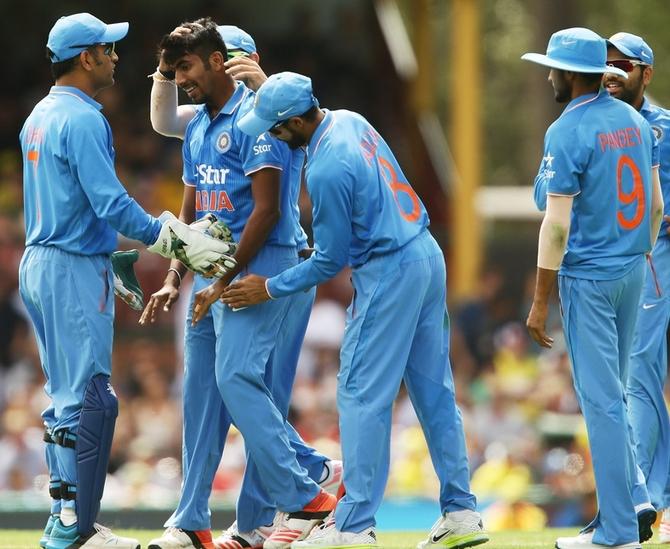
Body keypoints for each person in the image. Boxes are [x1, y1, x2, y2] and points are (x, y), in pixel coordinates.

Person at [196, 71, 489, 549]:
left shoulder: (326, 167)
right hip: (425, 254)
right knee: (434, 392)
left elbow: (330, 260)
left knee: (359, 394)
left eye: (273, 126)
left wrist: (268, 287)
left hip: (387, 270)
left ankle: (352, 526)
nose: (269, 136)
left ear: (293, 122)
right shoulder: (348, 120)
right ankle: (461, 511)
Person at [20, 12, 236, 549]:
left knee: (65, 399)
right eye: (109, 50)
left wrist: (109, 254)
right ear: (87, 57)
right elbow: (110, 202)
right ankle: (77, 528)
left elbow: (69, 203)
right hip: (69, 266)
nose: (117, 58)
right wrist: (176, 240)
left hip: (44, 262)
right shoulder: (85, 119)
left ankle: (65, 520)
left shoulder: (40, 115)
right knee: (92, 398)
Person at [141, 20, 337, 549]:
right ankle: (192, 519)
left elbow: (269, 211)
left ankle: (300, 497)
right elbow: (195, 203)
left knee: (244, 385)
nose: (183, 78)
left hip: (266, 264)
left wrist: (220, 277)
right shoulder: (202, 124)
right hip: (211, 271)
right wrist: (178, 272)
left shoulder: (259, 122)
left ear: (221, 62)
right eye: (176, 69)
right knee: (203, 396)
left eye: (189, 66)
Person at [523, 27, 663, 549]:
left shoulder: (565, 130)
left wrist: (540, 300)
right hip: (632, 269)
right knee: (617, 394)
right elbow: (654, 208)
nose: (550, 76)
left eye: (553, 68)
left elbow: (555, 225)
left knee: (601, 401)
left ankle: (617, 531)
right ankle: (637, 494)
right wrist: (640, 251)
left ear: (569, 74)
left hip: (589, 278)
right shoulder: (634, 118)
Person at [604, 32, 670, 544]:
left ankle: (640, 500)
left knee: (639, 377)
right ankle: (657, 498)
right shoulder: (595, 120)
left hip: (654, 255)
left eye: (623, 65)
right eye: (606, 63)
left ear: (646, 73)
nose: (612, 72)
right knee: (639, 379)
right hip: (620, 261)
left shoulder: (662, 127)